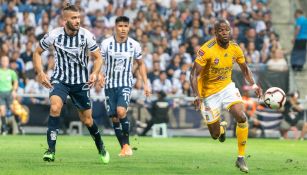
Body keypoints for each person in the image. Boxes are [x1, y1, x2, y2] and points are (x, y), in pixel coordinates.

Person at [32, 4, 109, 164]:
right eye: (74, 18)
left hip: (81, 83)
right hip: (60, 80)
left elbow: (98, 57)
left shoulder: (86, 35)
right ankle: (50, 150)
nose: (77, 21)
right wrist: (40, 72)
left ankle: (100, 145)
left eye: (78, 17)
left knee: (87, 120)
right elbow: (37, 52)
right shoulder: (54, 35)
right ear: (64, 20)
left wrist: (95, 72)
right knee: (55, 107)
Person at [190, 19, 263, 173]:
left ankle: (241, 157)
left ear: (231, 31)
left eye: (227, 30)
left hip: (227, 87)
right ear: (215, 33)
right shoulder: (206, 49)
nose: (224, 33)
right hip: (208, 94)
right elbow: (193, 74)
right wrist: (196, 96)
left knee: (241, 117)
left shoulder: (235, 48)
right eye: (221, 30)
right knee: (215, 135)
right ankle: (221, 129)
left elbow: (244, 69)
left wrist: (254, 85)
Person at [100, 16, 151, 157]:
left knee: (121, 111)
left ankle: (127, 144)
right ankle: (123, 147)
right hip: (109, 84)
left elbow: (141, 64)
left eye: (126, 26)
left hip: (125, 83)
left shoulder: (134, 45)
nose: (123, 29)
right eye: (120, 26)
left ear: (129, 28)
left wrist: (146, 84)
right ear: (115, 27)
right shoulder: (106, 44)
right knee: (115, 118)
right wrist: (98, 74)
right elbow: (99, 61)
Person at [0, 55, 18, 135]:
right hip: (1, 93)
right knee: (2, 110)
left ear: (8, 62)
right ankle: (4, 128)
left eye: (6, 61)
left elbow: (15, 82)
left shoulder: (12, 72)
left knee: (13, 109)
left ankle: (19, 125)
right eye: (3, 60)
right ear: (1, 62)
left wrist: (14, 91)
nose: (4, 62)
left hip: (9, 93)